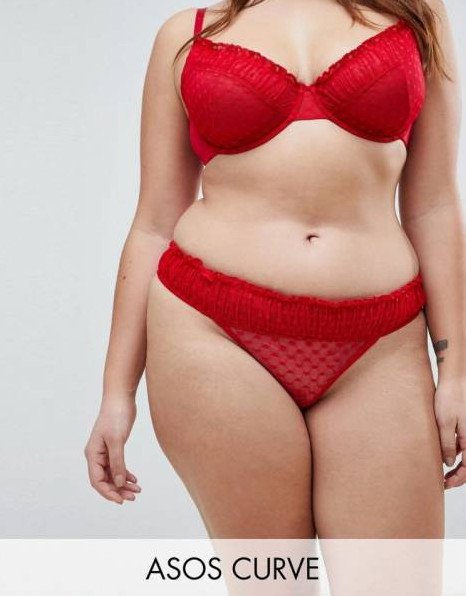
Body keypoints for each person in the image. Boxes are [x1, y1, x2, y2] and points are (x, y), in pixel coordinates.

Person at [85, 0, 465, 539]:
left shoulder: (416, 16)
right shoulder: (187, 35)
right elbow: (154, 223)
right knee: (272, 575)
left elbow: (435, 206)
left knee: (396, 575)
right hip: (216, 335)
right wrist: (116, 394)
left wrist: (457, 373)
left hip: (379, 348)